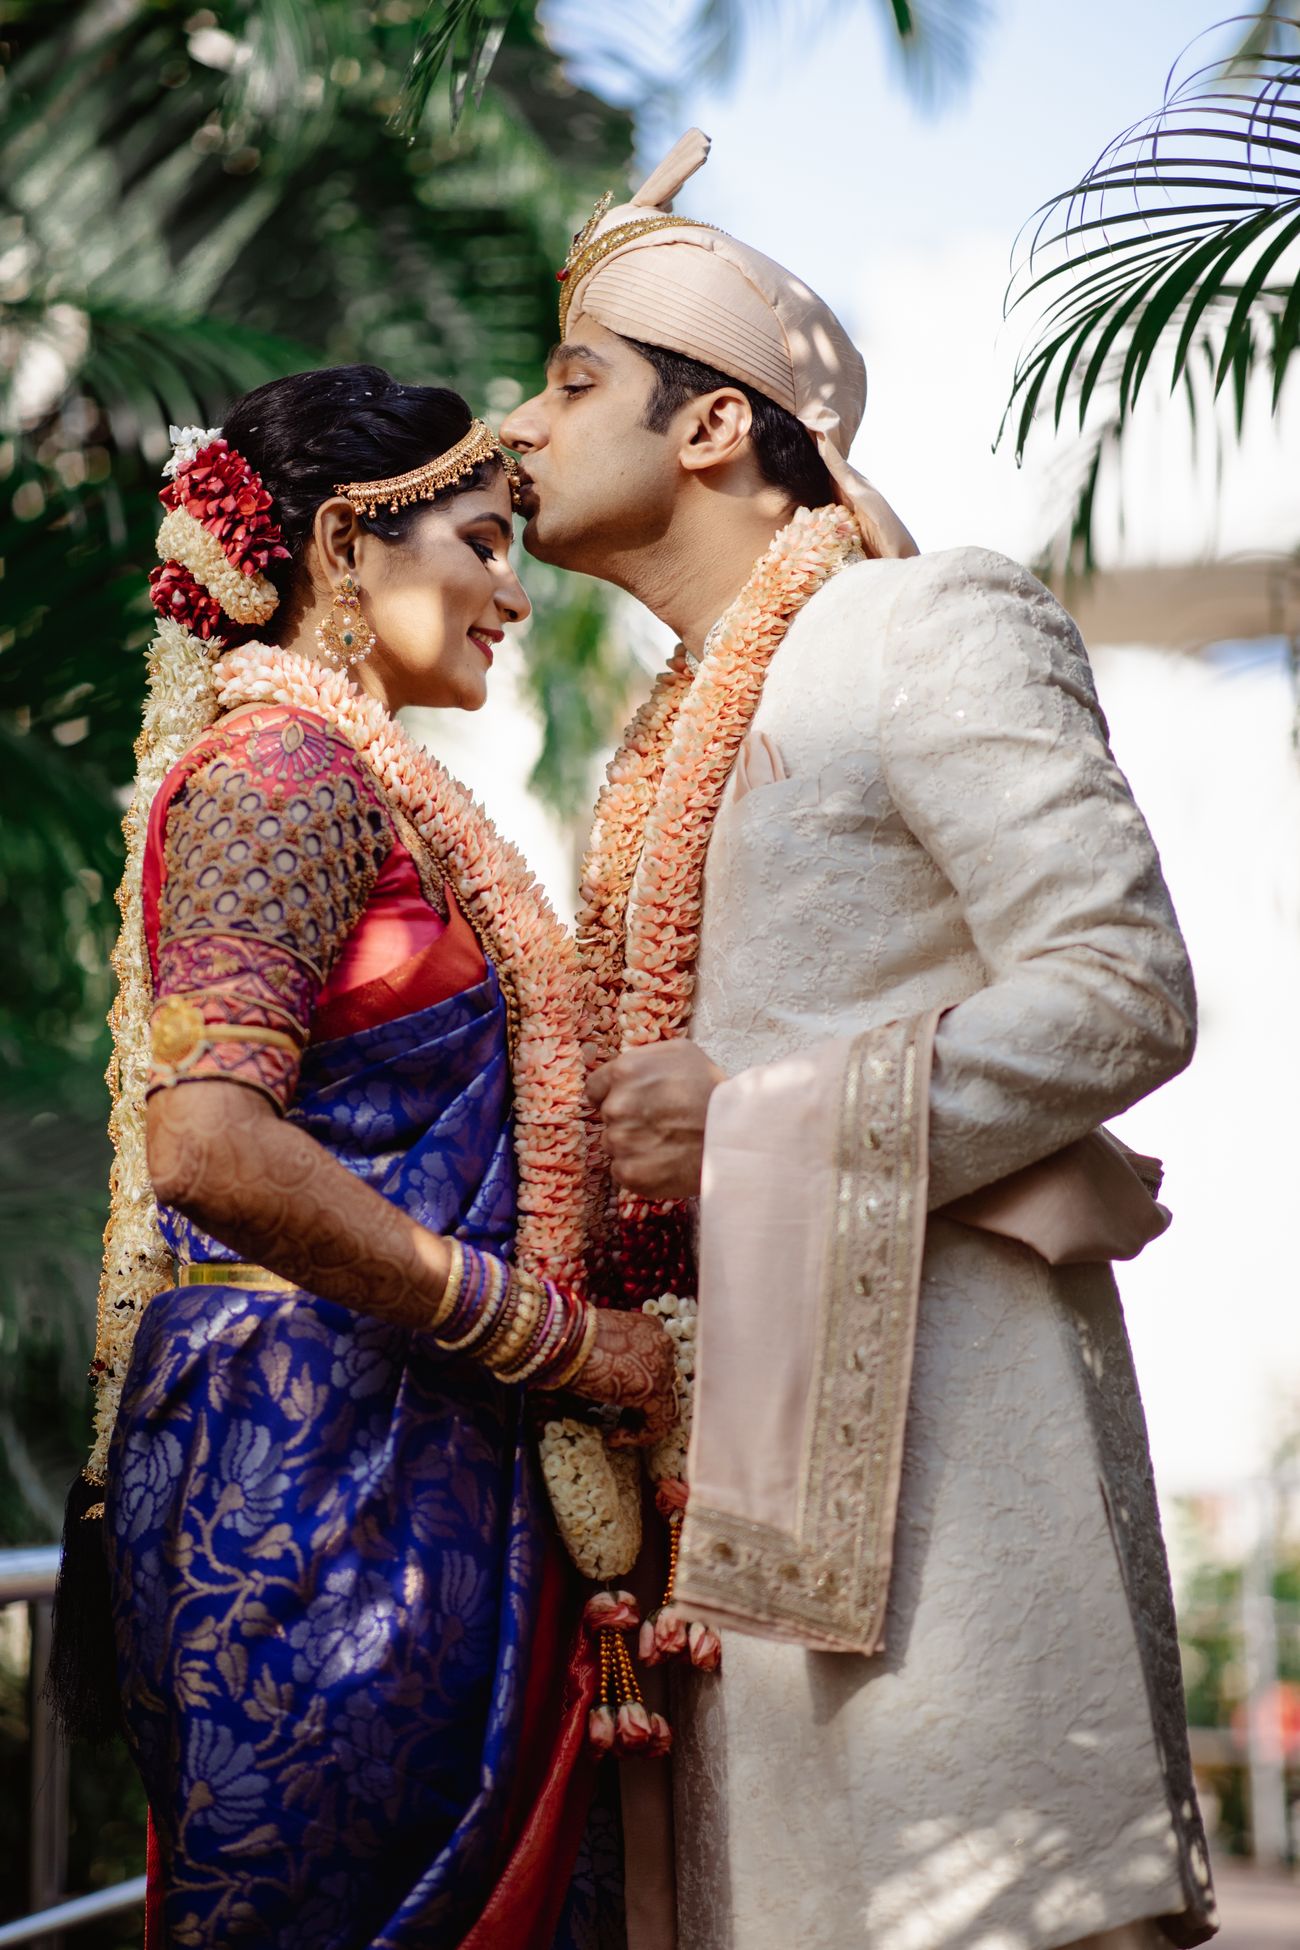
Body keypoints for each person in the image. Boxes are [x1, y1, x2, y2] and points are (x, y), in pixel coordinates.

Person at [501, 133, 1218, 1950]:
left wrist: (755, 1121)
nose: (519, 425)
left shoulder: (919, 622)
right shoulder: (656, 752)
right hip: (734, 1537)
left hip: (959, 1521)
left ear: (714, 427)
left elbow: (1124, 982)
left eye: (573, 379)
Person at [52, 366, 677, 1950]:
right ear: (346, 546)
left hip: (411, 1455)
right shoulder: (280, 774)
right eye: (483, 541)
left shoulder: (374, 788)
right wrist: (546, 1334)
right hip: (306, 1488)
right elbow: (207, 1141)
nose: (514, 597)